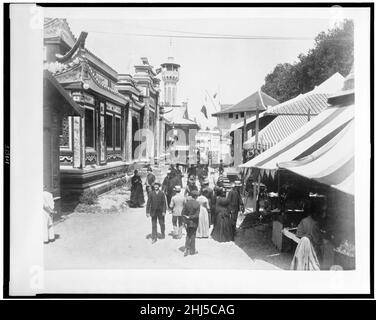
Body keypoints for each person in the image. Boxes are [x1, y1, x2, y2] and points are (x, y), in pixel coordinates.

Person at [181, 190, 200, 256]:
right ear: (196, 196)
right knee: (193, 235)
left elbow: (182, 213)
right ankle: (192, 250)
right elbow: (197, 215)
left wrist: (184, 221)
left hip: (188, 222)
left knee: (188, 235)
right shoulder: (197, 204)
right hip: (194, 222)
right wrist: (190, 217)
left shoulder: (187, 203)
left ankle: (186, 249)